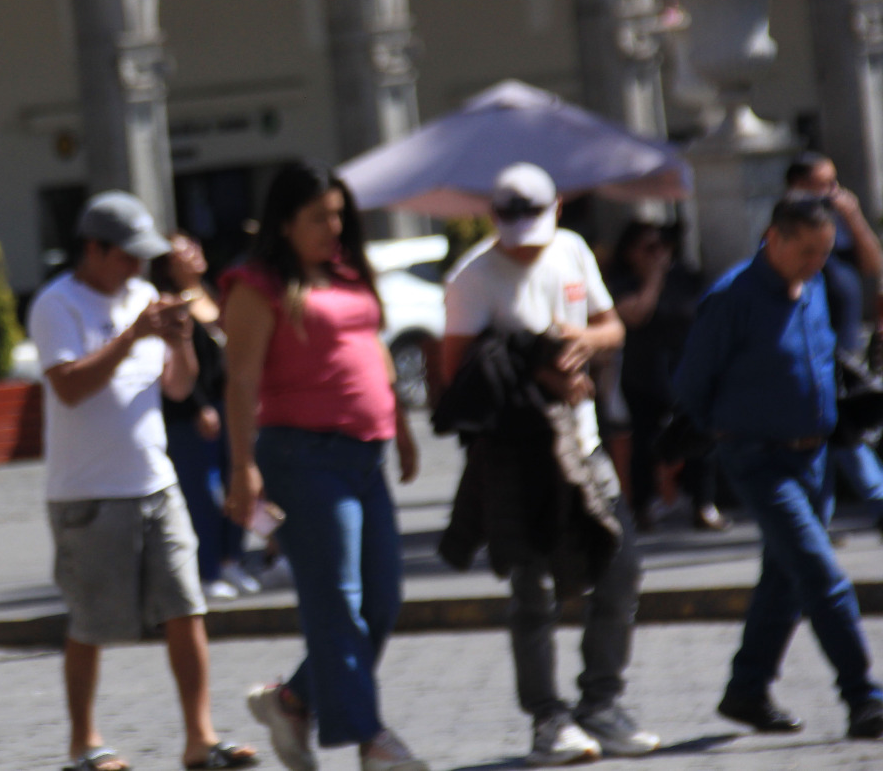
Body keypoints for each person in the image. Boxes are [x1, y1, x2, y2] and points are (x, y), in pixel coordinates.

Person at [27, 191, 258, 771]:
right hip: (88, 492)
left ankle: (199, 737)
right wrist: (132, 336)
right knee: (90, 621)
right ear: (94, 249)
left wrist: (179, 342)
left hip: (156, 480)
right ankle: (84, 743)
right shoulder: (57, 304)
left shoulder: (144, 295)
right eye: (126, 256)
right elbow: (70, 387)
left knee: (187, 606)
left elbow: (179, 388)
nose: (137, 267)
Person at [442, 163, 657, 766]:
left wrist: (586, 344)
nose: (527, 240)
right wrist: (533, 367)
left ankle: (601, 703)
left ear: (558, 207)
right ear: (493, 219)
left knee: (621, 570)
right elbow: (454, 380)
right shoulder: (471, 278)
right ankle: (547, 719)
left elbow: (611, 324)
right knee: (534, 592)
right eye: (512, 226)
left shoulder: (572, 250)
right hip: (518, 453)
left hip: (583, 443)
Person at [222, 161, 427, 771]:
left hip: (366, 455)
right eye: (319, 217)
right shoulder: (256, 284)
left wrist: (404, 428)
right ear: (284, 223)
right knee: (336, 601)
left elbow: (377, 355)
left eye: (339, 214)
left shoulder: (346, 273)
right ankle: (372, 742)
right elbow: (239, 382)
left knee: (382, 599)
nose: (334, 226)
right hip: (300, 458)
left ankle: (292, 701)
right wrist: (240, 468)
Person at [672, 196, 883, 740]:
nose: (816, 262)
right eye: (807, 250)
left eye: (823, 251)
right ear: (774, 238)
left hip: (814, 457)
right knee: (822, 574)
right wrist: (725, 429)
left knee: (785, 580)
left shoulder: (814, 286)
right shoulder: (732, 298)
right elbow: (690, 383)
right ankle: (864, 696)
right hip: (757, 459)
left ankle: (747, 689)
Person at [783, 152, 883, 541]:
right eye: (822, 184)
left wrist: (852, 217)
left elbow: (873, 266)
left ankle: (820, 520)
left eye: (834, 183)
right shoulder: (791, 230)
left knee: (833, 437)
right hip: (817, 356)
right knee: (836, 434)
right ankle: (882, 508)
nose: (832, 192)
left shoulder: (839, 228)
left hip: (850, 352)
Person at [151, 233, 257, 601]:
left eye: (195, 246)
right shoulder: (168, 303)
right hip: (194, 414)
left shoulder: (212, 292)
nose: (195, 254)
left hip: (231, 407)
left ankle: (233, 561)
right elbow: (176, 361)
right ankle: (207, 569)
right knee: (202, 494)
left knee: (237, 484)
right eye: (183, 252)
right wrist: (199, 406)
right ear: (167, 264)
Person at [603, 222, 723, 532]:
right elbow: (636, 314)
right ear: (631, 253)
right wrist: (653, 277)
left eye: (663, 247)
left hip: (686, 371)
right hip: (644, 376)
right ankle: (642, 506)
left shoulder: (685, 278)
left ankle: (703, 503)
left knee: (700, 440)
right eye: (649, 248)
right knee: (645, 444)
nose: (659, 254)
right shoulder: (622, 283)